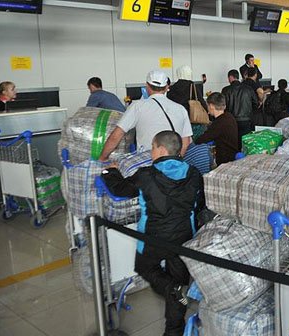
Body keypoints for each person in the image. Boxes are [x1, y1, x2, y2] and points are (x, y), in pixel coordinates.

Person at [102, 130, 202, 336]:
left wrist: (110, 172)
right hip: (184, 237)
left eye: (153, 147)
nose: (151, 152)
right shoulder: (194, 173)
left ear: (162, 149)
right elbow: (199, 205)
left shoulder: (147, 175)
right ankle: (173, 331)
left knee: (145, 267)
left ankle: (170, 288)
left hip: (152, 238)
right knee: (178, 281)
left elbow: (120, 189)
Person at [99, 70, 193, 160]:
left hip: (146, 165)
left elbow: (117, 135)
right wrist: (176, 160)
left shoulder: (137, 106)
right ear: (166, 88)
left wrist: (103, 158)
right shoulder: (181, 109)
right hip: (173, 164)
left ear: (147, 86)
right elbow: (186, 142)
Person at [195, 93, 240, 166]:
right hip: (232, 156)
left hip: (225, 161)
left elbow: (201, 140)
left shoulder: (219, 123)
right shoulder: (229, 116)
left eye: (208, 105)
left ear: (212, 106)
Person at [167, 66, 208, 141]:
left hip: (177, 120)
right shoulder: (192, 86)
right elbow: (201, 101)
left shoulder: (172, 88)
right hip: (192, 119)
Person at [222, 69, 258, 138]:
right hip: (246, 120)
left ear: (230, 77)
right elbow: (255, 103)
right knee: (245, 142)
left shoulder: (226, 90)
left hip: (231, 120)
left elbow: (222, 106)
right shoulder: (248, 89)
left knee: (233, 141)